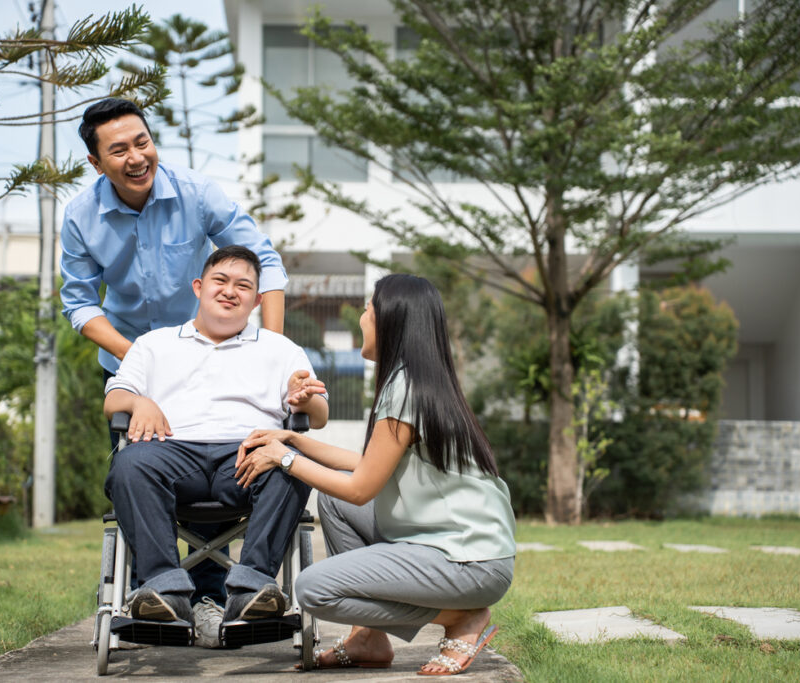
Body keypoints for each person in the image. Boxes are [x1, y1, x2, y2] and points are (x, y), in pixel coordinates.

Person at [60, 98, 288, 644]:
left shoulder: (196, 193)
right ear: (96, 163)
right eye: (119, 150)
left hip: (216, 359)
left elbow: (265, 260)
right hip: (134, 360)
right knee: (144, 469)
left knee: (224, 451)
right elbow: (79, 304)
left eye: (142, 141)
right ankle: (159, 592)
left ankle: (211, 593)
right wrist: (145, 357)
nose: (137, 156)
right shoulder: (79, 217)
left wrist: (272, 348)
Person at [235, 273, 516, 677]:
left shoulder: (403, 388)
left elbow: (361, 489)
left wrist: (284, 460)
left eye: (368, 309)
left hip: (467, 561)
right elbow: (365, 465)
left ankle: (461, 617)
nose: (362, 318)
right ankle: (368, 636)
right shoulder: (417, 380)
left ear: (390, 319)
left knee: (314, 588)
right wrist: (292, 442)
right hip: (467, 551)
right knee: (332, 502)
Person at [103, 245, 329, 632]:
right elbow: (114, 400)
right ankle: (162, 590)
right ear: (198, 287)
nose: (230, 291)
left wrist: (305, 399)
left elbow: (318, 416)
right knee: (129, 462)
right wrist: (139, 402)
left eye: (243, 285)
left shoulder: (281, 349)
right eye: (220, 281)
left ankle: (252, 588)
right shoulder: (155, 344)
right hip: (171, 451)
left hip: (247, 455)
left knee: (289, 464)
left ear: (257, 299)